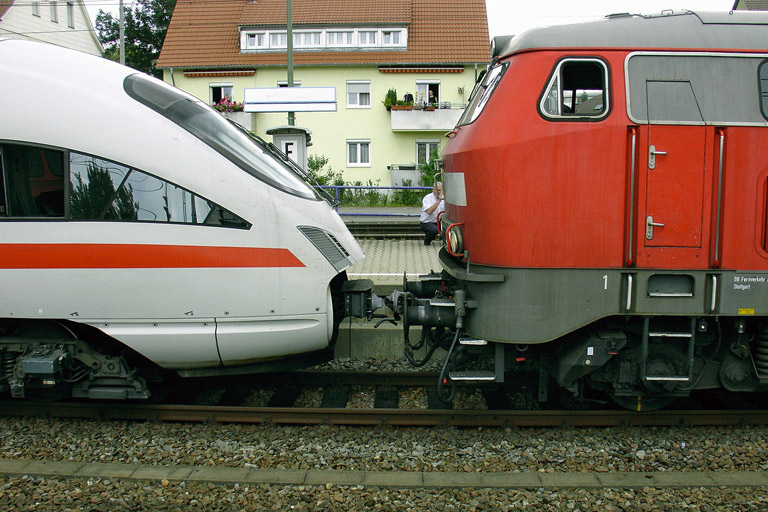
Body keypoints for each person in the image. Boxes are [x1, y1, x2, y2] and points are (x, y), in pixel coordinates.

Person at [420, 181, 444, 246]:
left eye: (438, 190)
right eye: (435, 190)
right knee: (434, 230)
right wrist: (438, 201)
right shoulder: (427, 198)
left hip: (439, 221)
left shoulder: (445, 198)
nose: (436, 192)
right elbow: (429, 211)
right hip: (427, 222)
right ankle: (427, 241)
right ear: (432, 190)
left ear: (442, 190)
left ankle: (446, 242)